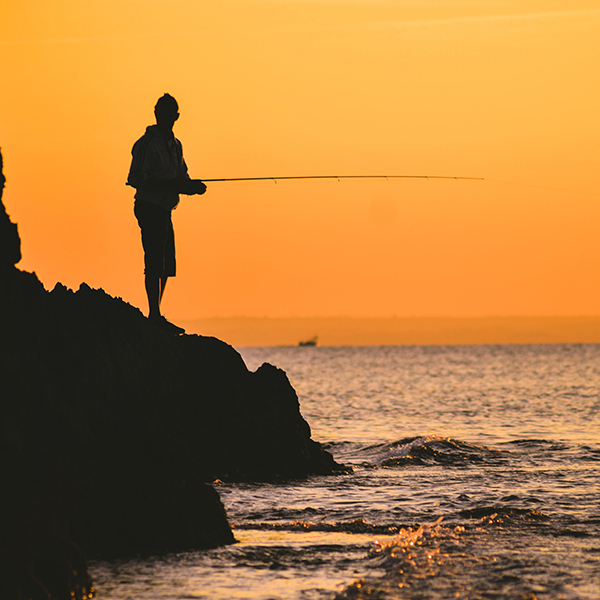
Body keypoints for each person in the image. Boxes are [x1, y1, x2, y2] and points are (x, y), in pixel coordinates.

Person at [127, 94, 206, 334]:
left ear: (176, 117)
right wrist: (172, 184)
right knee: (154, 261)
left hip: (165, 210)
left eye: (171, 113)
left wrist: (192, 187)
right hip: (149, 207)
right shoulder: (146, 143)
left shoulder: (176, 145)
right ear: (156, 114)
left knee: (166, 265)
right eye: (163, 112)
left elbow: (181, 177)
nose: (167, 117)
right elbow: (135, 179)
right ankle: (154, 316)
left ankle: (156, 314)